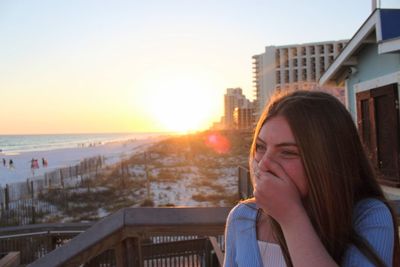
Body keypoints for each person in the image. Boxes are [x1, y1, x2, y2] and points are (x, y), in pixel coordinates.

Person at [224, 90, 399, 267]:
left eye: (287, 152)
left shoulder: (369, 216)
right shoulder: (242, 217)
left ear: (329, 160)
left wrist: (291, 217)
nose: (263, 164)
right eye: (260, 147)